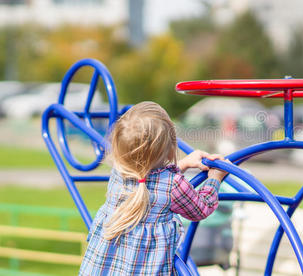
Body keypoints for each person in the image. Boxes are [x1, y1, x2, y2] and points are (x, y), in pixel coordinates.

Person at [79, 101, 229, 275]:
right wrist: (215, 179)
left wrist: (184, 163)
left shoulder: (118, 173)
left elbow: (147, 176)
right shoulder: (174, 185)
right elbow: (201, 208)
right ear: (172, 149)